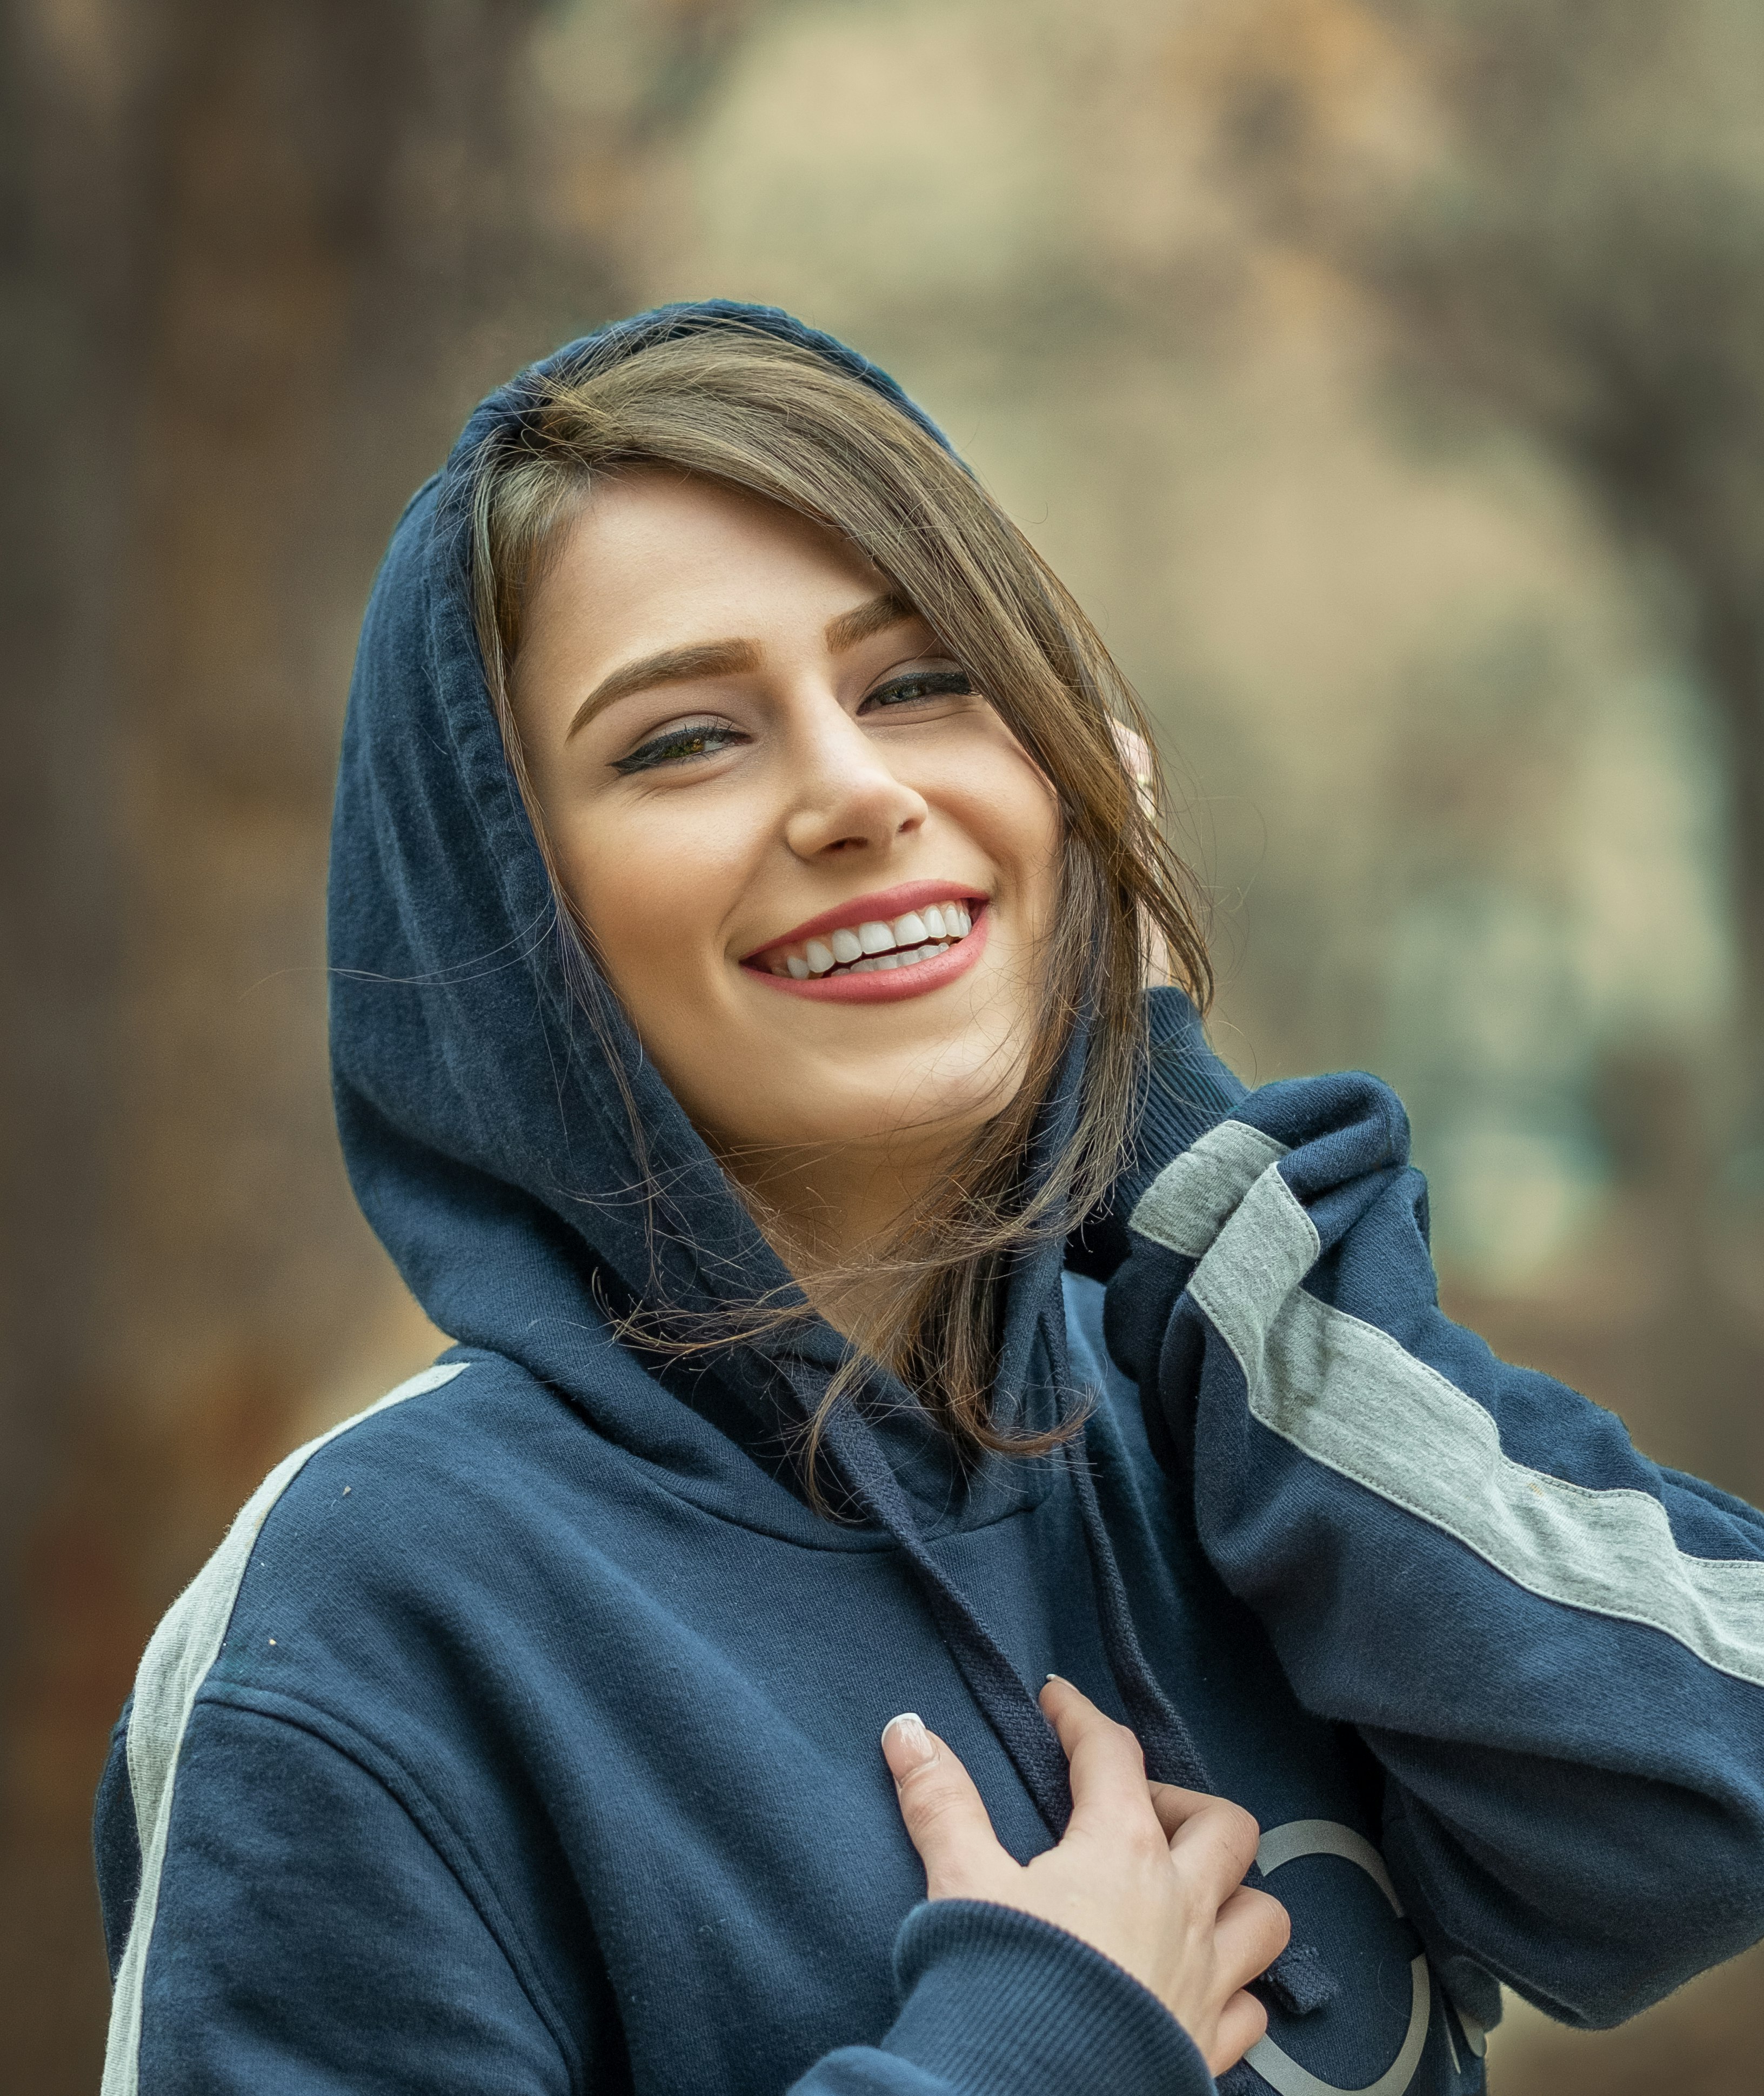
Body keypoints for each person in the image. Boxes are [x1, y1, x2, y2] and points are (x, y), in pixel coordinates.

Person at [95, 302, 1764, 2096]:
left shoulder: (1219, 1411)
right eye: (681, 741)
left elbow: (1699, 1805)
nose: (856, 789)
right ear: (512, 916)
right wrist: (1037, 2053)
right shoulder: (369, 1618)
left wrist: (1166, 1132)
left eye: (920, 682)